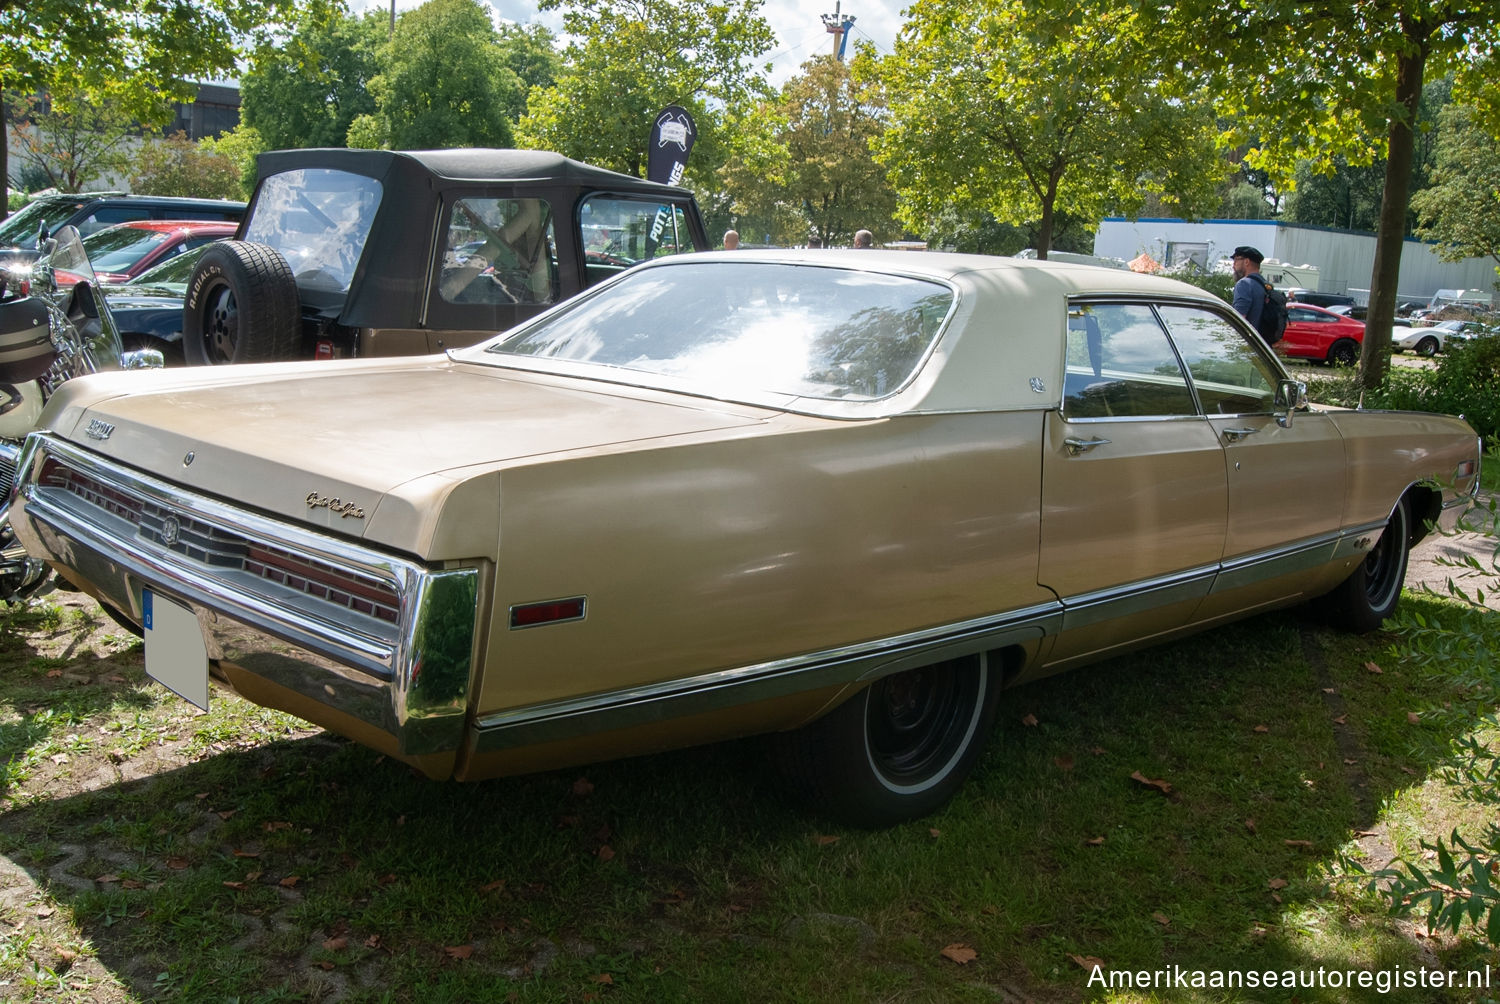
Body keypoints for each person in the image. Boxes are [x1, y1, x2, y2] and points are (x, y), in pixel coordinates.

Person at [1230, 245, 1267, 328]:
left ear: (1246, 261)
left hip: (1245, 340)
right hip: (1261, 340)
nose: (1233, 265)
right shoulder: (1265, 285)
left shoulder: (1244, 284)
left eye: (1236, 260)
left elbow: (1238, 320)